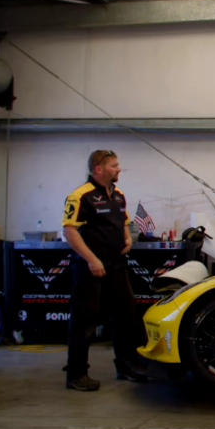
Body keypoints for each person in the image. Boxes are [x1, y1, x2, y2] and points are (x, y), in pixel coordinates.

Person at [61, 150, 148, 391]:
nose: (119, 169)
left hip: (117, 267)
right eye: (114, 165)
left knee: (126, 317)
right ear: (98, 169)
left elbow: (122, 221)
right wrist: (91, 259)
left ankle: (127, 365)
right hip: (90, 268)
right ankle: (76, 374)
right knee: (84, 321)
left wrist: (127, 238)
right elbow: (70, 232)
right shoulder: (80, 196)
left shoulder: (118, 195)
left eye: (118, 165)